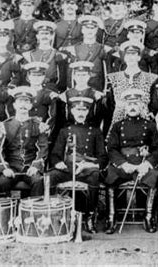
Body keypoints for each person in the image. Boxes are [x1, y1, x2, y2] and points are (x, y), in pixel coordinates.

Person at [104, 88, 158, 234]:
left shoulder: (149, 125)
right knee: (110, 175)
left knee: (154, 177)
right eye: (129, 104)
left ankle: (148, 217)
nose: (132, 107)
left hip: (142, 165)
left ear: (141, 106)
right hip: (124, 166)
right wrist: (123, 164)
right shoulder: (117, 126)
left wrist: (147, 164)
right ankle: (111, 217)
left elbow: (157, 149)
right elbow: (111, 149)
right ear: (125, 106)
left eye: (136, 103)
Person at [48, 95, 108, 233]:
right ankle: (54, 215)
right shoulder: (64, 131)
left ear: (88, 112)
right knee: (50, 177)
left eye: (84, 110)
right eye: (77, 110)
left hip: (86, 170)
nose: (80, 113)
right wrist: (58, 163)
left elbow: (102, 157)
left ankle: (89, 216)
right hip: (68, 169)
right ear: (72, 111)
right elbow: (55, 154)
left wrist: (87, 165)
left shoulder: (95, 131)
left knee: (94, 176)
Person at [0, 86, 48, 197]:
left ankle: (34, 212)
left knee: (38, 181)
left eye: (27, 102)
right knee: (2, 182)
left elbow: (43, 147)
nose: (23, 105)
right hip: (11, 167)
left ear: (31, 106)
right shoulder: (4, 125)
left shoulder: (38, 125)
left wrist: (35, 166)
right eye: (20, 101)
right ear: (14, 105)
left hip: (30, 167)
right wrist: (4, 168)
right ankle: (6, 213)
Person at [106, 41, 158, 131]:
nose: (131, 58)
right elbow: (110, 102)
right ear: (124, 57)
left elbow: (154, 104)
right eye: (128, 55)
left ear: (139, 57)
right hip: (119, 121)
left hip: (143, 120)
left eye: (134, 54)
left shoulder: (149, 78)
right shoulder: (114, 78)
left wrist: (149, 114)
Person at [22, 21, 69, 92]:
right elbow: (25, 78)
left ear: (51, 36)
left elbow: (62, 80)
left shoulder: (59, 55)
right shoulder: (28, 55)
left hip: (52, 89)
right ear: (37, 36)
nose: (44, 37)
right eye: (42, 34)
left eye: (47, 34)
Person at [61, 61, 105, 128]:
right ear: (74, 76)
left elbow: (99, 118)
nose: (81, 78)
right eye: (78, 75)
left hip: (89, 131)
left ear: (89, 76)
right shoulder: (66, 94)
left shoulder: (96, 94)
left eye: (84, 75)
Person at [71, 15, 108, 92]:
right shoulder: (75, 49)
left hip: (97, 86)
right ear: (82, 30)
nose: (90, 31)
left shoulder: (102, 48)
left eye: (93, 28)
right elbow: (71, 74)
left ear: (97, 30)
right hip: (79, 87)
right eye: (87, 28)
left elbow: (106, 71)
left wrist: (105, 89)